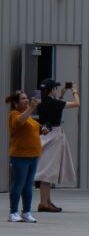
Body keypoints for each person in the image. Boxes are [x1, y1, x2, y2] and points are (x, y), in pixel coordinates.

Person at [34, 79, 76, 213]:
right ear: (52, 90)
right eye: (55, 88)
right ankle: (43, 202)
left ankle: (47, 201)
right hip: (54, 136)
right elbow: (77, 103)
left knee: (47, 169)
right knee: (48, 172)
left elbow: (55, 105)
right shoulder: (56, 104)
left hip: (44, 134)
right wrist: (75, 91)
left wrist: (61, 95)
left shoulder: (40, 103)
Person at [8, 91, 42, 222]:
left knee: (28, 186)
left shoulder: (29, 117)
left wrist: (43, 130)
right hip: (20, 156)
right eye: (23, 99)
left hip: (33, 156)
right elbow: (19, 122)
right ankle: (13, 212)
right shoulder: (14, 114)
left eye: (27, 98)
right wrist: (32, 107)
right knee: (18, 184)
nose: (27, 100)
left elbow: (33, 129)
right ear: (16, 103)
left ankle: (26, 212)